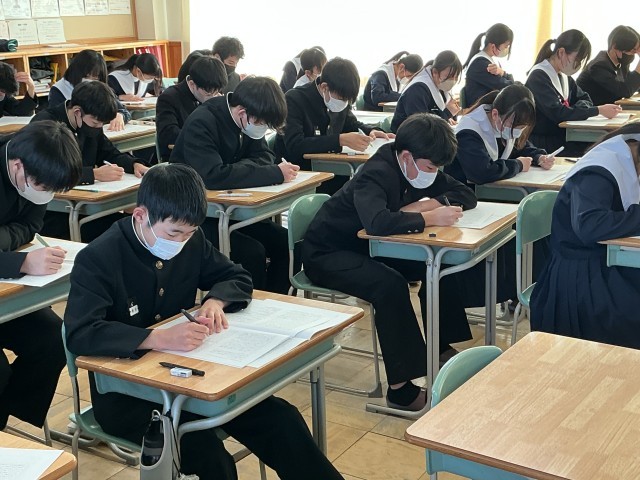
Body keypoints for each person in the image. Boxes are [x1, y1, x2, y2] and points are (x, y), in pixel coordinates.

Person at [64, 163, 344, 480]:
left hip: (194, 382)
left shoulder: (190, 241)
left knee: (282, 420)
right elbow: (80, 333)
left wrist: (215, 301)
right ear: (141, 215)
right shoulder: (99, 257)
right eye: (174, 233)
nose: (181, 241)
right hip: (128, 397)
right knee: (211, 456)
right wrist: (157, 338)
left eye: (189, 233)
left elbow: (236, 276)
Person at [302, 113, 477, 411]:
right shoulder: (377, 172)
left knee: (440, 264)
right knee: (390, 285)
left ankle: (439, 346)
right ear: (407, 156)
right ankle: (400, 391)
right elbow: (377, 223)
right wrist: (426, 217)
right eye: (430, 168)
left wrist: (431, 203)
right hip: (329, 253)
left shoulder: (416, 164)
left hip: (369, 247)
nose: (434, 174)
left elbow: (464, 193)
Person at [170, 76, 297, 294]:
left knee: (286, 242)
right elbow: (213, 177)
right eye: (262, 124)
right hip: (196, 214)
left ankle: (274, 301)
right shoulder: (203, 122)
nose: (262, 129)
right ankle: (249, 305)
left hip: (231, 209)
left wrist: (236, 170)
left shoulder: (250, 119)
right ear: (242, 113)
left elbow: (265, 156)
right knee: (252, 252)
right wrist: (273, 173)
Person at [0, 120, 82, 430]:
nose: (46, 195)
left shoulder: (37, 173)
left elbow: (30, 227)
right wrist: (20, 262)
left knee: (54, 340)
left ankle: (7, 423)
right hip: (10, 273)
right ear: (17, 166)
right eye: (44, 187)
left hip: (6, 297)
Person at [530, 123, 640, 348]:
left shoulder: (626, 160)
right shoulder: (598, 170)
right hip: (580, 275)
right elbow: (590, 227)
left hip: (604, 261)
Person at [32, 81, 149, 240]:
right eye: (95, 123)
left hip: (84, 206)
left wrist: (134, 164)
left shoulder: (90, 123)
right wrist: (93, 174)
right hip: (53, 212)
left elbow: (108, 152)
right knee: (121, 232)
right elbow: (45, 173)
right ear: (77, 111)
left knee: (133, 227)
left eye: (101, 124)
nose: (98, 127)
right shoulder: (44, 125)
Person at [274, 57, 390, 194]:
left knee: (365, 185)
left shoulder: (339, 99)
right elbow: (295, 145)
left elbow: (351, 123)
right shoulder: (295, 99)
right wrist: (339, 140)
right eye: (342, 99)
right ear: (324, 87)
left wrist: (370, 131)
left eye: (347, 100)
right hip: (299, 172)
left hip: (333, 170)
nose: (344, 103)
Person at [525, 29, 622, 154]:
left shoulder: (564, 77)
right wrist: (598, 110)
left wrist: (577, 109)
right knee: (594, 149)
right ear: (561, 52)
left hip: (562, 135)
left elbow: (585, 98)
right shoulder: (539, 76)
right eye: (578, 59)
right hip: (544, 141)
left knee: (601, 145)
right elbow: (559, 113)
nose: (578, 64)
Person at [446, 84, 556, 187]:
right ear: (495, 114)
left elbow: (520, 147)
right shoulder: (468, 132)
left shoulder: (502, 123)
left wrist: (538, 157)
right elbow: (482, 172)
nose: (517, 132)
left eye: (522, 127)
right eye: (513, 125)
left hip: (490, 190)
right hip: (464, 192)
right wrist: (519, 165)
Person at [156, 56, 227, 162]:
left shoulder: (213, 93)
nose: (213, 96)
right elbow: (169, 134)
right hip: (181, 159)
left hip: (209, 153)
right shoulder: (169, 97)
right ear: (192, 84)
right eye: (208, 92)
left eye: (216, 91)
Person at [48, 49, 130, 131]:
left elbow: (124, 111)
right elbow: (55, 123)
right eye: (86, 76)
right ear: (75, 72)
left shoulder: (100, 89)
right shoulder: (59, 90)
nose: (90, 81)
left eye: (95, 78)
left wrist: (120, 115)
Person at [390, 51, 463, 132]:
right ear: (435, 72)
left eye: (456, 77)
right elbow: (421, 125)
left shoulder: (442, 88)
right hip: (407, 136)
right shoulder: (417, 89)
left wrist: (449, 118)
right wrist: (447, 114)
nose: (453, 81)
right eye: (449, 77)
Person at [577, 25, 640, 106]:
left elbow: (631, 84)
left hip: (608, 110)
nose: (633, 54)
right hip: (590, 110)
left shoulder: (621, 63)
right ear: (615, 46)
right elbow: (625, 91)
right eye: (632, 51)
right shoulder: (599, 66)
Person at [462, 23, 515, 107]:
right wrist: (504, 74)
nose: (507, 49)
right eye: (506, 46)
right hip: (480, 112)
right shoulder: (481, 64)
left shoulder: (490, 61)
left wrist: (502, 72)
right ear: (493, 46)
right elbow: (509, 87)